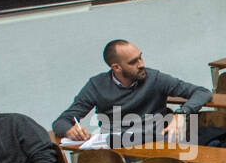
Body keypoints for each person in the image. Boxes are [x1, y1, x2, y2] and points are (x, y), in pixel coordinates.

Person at [51, 39, 210, 143]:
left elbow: (203, 92)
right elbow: (61, 121)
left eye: (140, 57)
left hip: (157, 140)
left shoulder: (154, 78)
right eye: (133, 62)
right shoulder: (96, 85)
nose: (141, 64)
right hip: (120, 144)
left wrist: (181, 114)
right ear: (116, 67)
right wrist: (70, 130)